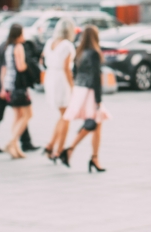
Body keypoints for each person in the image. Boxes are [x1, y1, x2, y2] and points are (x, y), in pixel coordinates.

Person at [55, 26, 106, 172]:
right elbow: (96, 78)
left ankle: (94, 158)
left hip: (80, 90)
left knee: (96, 125)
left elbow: (75, 72)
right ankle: (71, 150)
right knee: (94, 123)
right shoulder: (95, 53)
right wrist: (98, 99)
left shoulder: (80, 52)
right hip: (90, 91)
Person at [41, 17, 75, 159]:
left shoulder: (50, 43)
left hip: (50, 77)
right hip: (61, 79)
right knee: (67, 116)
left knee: (62, 115)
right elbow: (67, 68)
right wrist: (73, 87)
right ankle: (59, 150)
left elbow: (42, 61)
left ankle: (50, 145)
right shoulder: (67, 45)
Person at [0, 24, 34, 159]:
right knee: (28, 114)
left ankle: (15, 147)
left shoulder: (7, 47)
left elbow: (4, 68)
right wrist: (28, 65)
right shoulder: (18, 47)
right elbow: (20, 67)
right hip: (19, 85)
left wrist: (3, 87)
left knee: (18, 116)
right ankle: (11, 142)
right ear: (19, 34)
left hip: (9, 85)